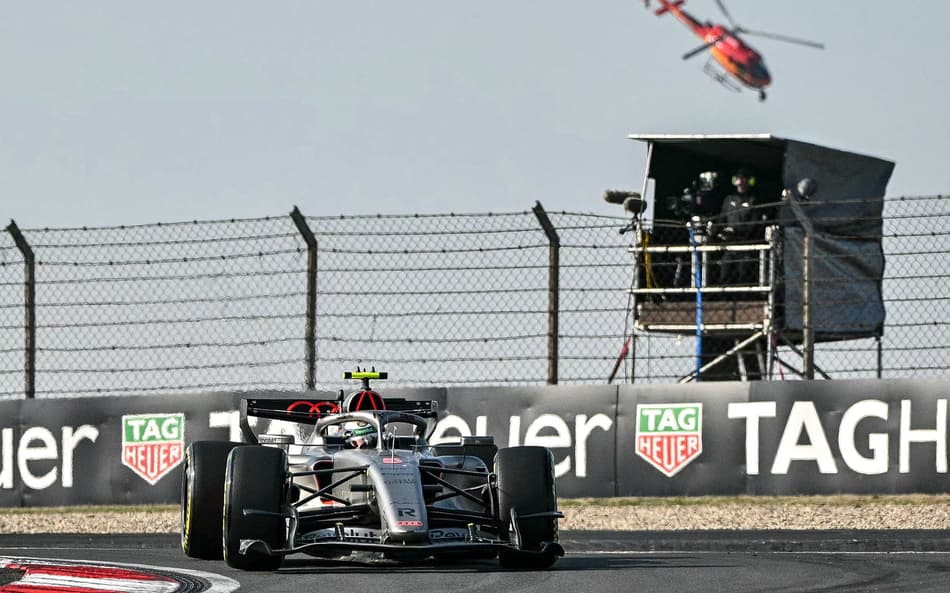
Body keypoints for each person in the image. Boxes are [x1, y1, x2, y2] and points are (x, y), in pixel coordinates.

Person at [711, 168, 769, 285]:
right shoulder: (729, 199)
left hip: (745, 244)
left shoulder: (753, 200)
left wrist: (736, 232)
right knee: (725, 270)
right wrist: (717, 232)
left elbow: (754, 224)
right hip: (729, 244)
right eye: (738, 179)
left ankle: (744, 293)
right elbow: (722, 219)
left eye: (743, 179)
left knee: (743, 272)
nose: (740, 182)